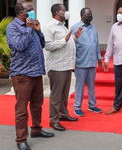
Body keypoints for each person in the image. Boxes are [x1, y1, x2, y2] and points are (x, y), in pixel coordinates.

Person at [6, 2, 54, 150]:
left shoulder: (32, 25)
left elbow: (41, 44)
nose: (33, 12)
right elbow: (19, 46)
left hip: (36, 72)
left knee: (37, 104)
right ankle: (21, 139)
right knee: (21, 109)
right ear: (21, 12)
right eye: (30, 10)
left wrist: (38, 31)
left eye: (33, 9)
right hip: (22, 74)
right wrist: (28, 29)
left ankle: (36, 129)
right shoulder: (13, 27)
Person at [43, 3, 78, 132]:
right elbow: (48, 46)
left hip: (66, 65)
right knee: (56, 95)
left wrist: (75, 38)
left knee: (64, 94)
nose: (66, 12)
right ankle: (54, 120)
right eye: (64, 10)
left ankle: (63, 114)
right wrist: (64, 40)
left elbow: (68, 42)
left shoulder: (62, 26)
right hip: (57, 67)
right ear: (57, 12)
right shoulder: (49, 27)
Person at [70, 8, 103, 116]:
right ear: (82, 15)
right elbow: (71, 47)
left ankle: (92, 105)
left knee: (91, 85)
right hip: (80, 62)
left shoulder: (94, 28)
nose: (90, 16)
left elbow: (96, 44)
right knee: (79, 86)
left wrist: (99, 58)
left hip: (92, 62)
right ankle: (77, 107)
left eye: (90, 14)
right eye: (87, 14)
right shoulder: (75, 28)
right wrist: (72, 62)